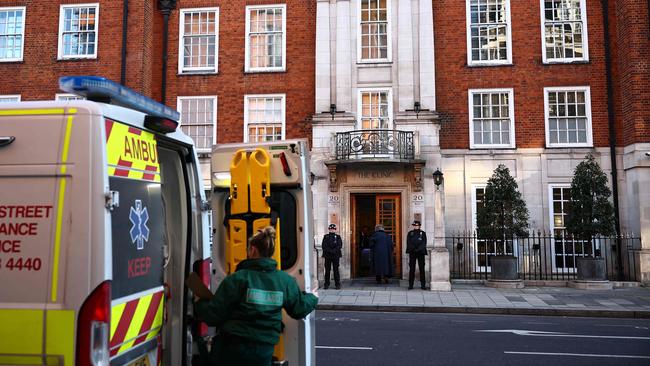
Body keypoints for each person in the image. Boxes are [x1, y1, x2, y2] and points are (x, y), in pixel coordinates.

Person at [190, 226, 318, 366]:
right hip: (262, 354)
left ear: (253, 250)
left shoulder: (237, 279)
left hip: (231, 351)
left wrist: (199, 302)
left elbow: (212, 315)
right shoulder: (284, 281)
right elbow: (298, 309)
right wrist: (312, 297)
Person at [406, 220, 428, 290]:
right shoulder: (410, 233)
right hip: (412, 253)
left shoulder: (423, 233)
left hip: (421, 253)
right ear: (413, 226)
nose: (416, 226)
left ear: (419, 226)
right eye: (415, 225)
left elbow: (424, 243)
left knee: (422, 269)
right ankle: (410, 285)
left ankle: (423, 285)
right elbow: (408, 242)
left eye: (417, 225)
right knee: (412, 269)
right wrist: (413, 249)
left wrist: (418, 249)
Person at [321, 223, 343, 289]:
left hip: (336, 256)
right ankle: (326, 284)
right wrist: (330, 251)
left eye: (333, 229)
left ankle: (337, 284)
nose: (332, 230)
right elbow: (324, 246)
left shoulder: (338, 237)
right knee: (327, 270)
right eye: (331, 229)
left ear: (335, 230)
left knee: (336, 270)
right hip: (328, 256)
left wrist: (334, 251)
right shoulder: (326, 236)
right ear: (329, 229)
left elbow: (339, 245)